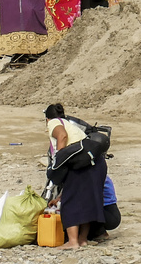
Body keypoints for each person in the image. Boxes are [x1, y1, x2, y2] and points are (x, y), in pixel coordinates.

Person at [45, 102, 107, 249]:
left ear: (47, 119)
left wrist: (60, 159)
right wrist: (59, 195)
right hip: (96, 163)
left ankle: (72, 242)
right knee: (87, 200)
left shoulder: (53, 122)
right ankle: (82, 240)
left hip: (81, 164)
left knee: (71, 201)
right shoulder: (70, 124)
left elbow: (62, 135)